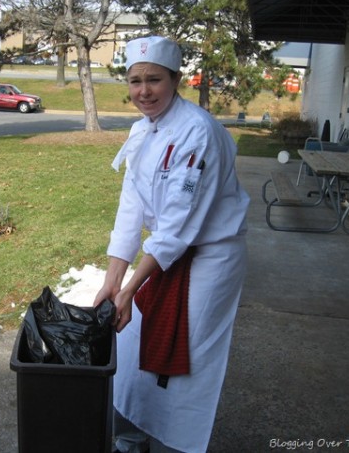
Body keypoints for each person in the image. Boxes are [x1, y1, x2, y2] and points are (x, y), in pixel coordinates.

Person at [93, 36, 250, 453]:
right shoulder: (144, 130)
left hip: (207, 258)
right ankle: (131, 434)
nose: (143, 91)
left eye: (154, 80)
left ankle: (174, 442)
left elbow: (177, 228)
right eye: (135, 81)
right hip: (167, 254)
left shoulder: (197, 132)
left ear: (176, 79)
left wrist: (130, 289)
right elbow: (130, 210)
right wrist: (114, 280)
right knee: (133, 347)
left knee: (185, 359)